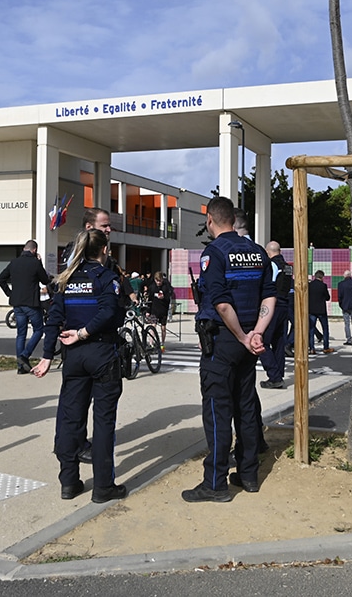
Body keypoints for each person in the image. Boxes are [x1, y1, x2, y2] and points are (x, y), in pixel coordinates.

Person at [183, 196, 275, 503]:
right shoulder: (258, 252)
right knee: (246, 407)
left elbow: (221, 303)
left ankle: (215, 482)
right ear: (234, 221)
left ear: (210, 220)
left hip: (224, 340)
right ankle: (248, 474)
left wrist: (240, 336)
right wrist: (256, 335)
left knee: (217, 410)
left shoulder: (214, 253)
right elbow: (269, 296)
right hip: (249, 342)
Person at [31, 228, 128, 504]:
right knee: (103, 421)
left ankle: (69, 482)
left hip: (72, 356)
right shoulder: (107, 278)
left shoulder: (66, 280)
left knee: (69, 418)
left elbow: (54, 318)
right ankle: (103, 487)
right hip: (100, 352)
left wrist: (47, 356)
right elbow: (109, 312)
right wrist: (84, 332)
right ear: (104, 250)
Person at [0, 240, 51, 374]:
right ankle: (25, 355)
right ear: (34, 250)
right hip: (31, 303)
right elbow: (45, 280)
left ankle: (20, 367)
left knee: (20, 333)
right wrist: (40, 263)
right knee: (38, 330)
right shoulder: (34, 263)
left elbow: (0, 279)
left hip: (17, 303)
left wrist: (10, 293)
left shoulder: (14, 262)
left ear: (24, 248)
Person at [258, 241, 290, 388]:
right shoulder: (288, 267)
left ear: (267, 251)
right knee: (278, 342)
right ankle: (279, 374)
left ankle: (274, 376)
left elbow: (268, 285)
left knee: (263, 342)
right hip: (285, 306)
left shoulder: (272, 265)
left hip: (273, 306)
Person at [145, 271, 173, 348]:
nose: (158, 282)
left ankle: (162, 343)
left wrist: (164, 297)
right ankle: (151, 342)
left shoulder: (166, 286)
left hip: (163, 309)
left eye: (160, 281)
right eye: (157, 281)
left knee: (163, 327)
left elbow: (169, 296)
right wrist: (148, 311)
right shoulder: (152, 287)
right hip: (154, 309)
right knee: (153, 326)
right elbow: (149, 299)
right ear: (154, 280)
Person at [308, 270, 332, 354]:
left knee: (311, 329)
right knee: (325, 329)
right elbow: (327, 298)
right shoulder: (323, 286)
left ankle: (311, 348)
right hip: (321, 310)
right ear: (322, 277)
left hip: (311, 310)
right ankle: (326, 347)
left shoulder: (309, 285)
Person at [336, 270, 352, 345]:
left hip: (345, 306)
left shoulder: (341, 284)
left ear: (344, 276)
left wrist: (341, 305)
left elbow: (340, 296)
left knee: (347, 324)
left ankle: (349, 339)